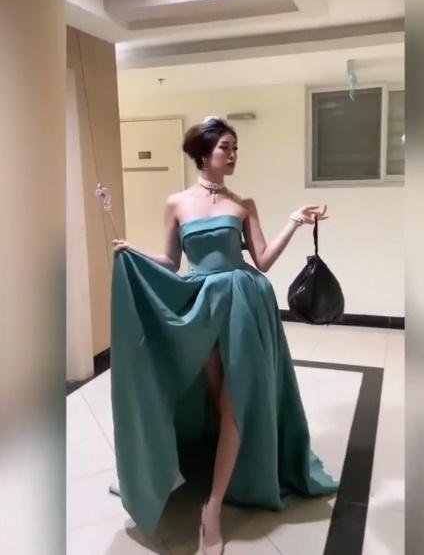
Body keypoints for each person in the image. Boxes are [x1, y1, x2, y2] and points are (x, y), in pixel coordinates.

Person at [111, 117, 337, 554]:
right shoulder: (176, 203)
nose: (233, 156)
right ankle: (224, 464)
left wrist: (294, 221)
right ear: (204, 153)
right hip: (202, 306)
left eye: (236, 149)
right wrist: (133, 252)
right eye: (225, 148)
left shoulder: (243, 203)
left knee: (235, 398)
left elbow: (263, 260)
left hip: (245, 303)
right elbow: (171, 261)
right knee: (217, 395)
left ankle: (212, 508)